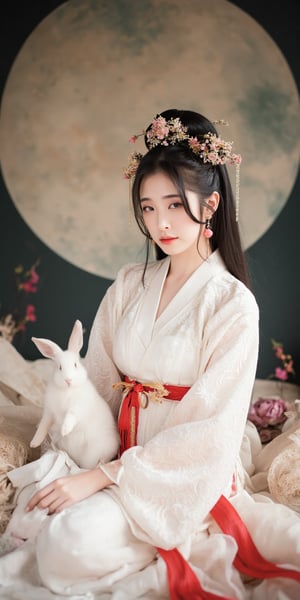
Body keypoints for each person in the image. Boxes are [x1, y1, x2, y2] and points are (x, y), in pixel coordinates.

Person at [0, 109, 300, 600]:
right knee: (36, 510)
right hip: (111, 454)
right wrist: (83, 465)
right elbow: (97, 380)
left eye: (175, 206)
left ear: (211, 205)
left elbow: (209, 429)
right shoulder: (129, 284)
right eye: (148, 208)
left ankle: (168, 543)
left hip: (180, 475)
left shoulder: (231, 303)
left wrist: (107, 478)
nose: (160, 223)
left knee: (64, 545)